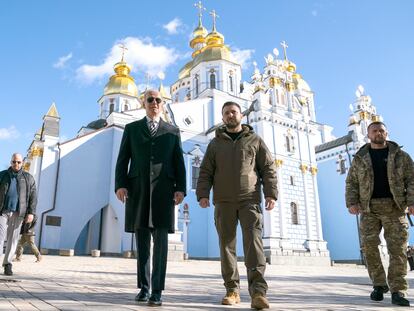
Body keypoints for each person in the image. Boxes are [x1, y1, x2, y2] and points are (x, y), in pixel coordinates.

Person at [196, 101, 277, 310]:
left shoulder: (255, 140)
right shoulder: (215, 144)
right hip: (223, 202)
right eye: (226, 113)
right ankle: (232, 290)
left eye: (234, 112)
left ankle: (258, 293)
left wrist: (271, 193)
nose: (230, 115)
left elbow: (267, 168)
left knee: (254, 246)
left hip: (249, 200)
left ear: (241, 115)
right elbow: (205, 171)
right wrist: (203, 194)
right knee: (227, 247)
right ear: (223, 118)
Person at [115, 89, 186, 307]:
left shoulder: (172, 131)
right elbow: (123, 159)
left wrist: (181, 188)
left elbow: (178, 162)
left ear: (162, 104)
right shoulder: (132, 129)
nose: (154, 103)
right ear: (143, 103)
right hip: (138, 190)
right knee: (143, 242)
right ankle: (144, 288)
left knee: (161, 244)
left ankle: (157, 290)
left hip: (164, 192)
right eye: (150, 100)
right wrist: (120, 185)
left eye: (158, 100)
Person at [346, 121, 414, 307]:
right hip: (369, 209)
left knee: (398, 250)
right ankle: (379, 284)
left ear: (387, 133)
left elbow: (412, 179)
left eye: (381, 130)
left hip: (395, 208)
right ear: (368, 135)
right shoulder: (360, 158)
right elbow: (351, 182)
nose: (378, 133)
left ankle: (398, 290)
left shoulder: (401, 156)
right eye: (374, 131)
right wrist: (352, 202)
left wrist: (412, 202)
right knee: (369, 248)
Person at [0, 153, 37, 276]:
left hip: (19, 213)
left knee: (13, 239)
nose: (16, 164)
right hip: (3, 211)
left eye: (19, 162)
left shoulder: (28, 178)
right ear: (11, 162)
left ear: (22, 163)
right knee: (0, 237)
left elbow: (33, 196)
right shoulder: (3, 175)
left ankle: (7, 263)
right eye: (14, 162)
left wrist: (31, 212)